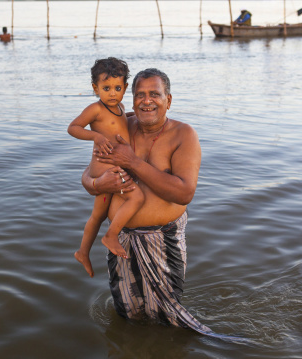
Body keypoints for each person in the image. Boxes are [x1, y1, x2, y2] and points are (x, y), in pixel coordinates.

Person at [80, 68, 216, 333]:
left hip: (162, 240)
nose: (146, 100)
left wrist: (132, 162)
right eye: (140, 94)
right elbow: (88, 174)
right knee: (127, 313)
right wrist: (97, 184)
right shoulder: (119, 127)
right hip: (119, 239)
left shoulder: (183, 135)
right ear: (131, 101)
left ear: (169, 100)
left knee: (167, 318)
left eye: (155, 94)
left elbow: (184, 192)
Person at [68, 58, 145, 278]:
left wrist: (133, 117)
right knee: (137, 198)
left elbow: (120, 123)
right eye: (106, 88)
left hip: (107, 171)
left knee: (97, 215)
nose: (112, 93)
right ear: (95, 88)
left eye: (117, 88)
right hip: (104, 171)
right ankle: (111, 236)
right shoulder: (95, 109)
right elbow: (72, 128)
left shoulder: (119, 107)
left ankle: (83, 252)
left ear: (125, 89)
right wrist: (96, 136)